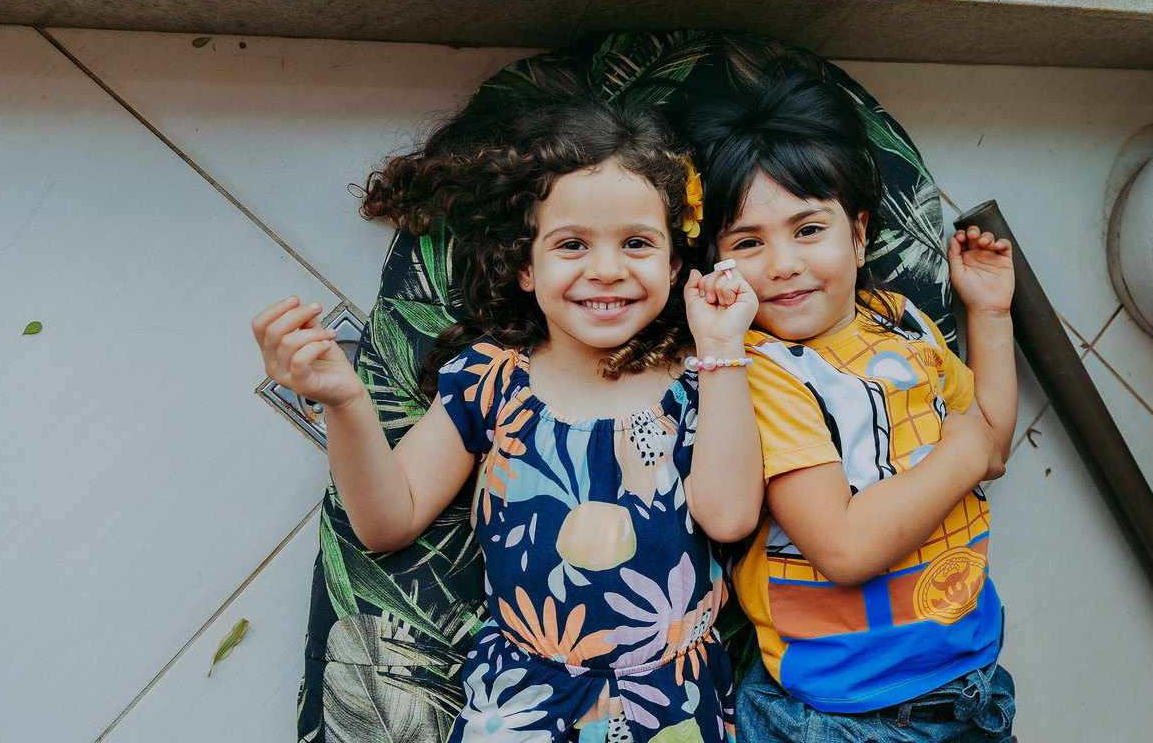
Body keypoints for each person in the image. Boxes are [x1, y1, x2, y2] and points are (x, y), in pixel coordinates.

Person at [253, 99, 764, 743]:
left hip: (672, 703)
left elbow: (730, 517)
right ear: (526, 266)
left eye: (637, 243)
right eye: (572, 244)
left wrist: (722, 351)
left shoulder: (703, 377)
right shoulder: (493, 380)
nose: (606, 269)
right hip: (521, 702)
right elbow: (387, 522)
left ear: (673, 264)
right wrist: (345, 402)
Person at [681, 68, 1019, 742]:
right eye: (748, 242)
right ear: (715, 262)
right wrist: (961, 450)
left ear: (859, 235)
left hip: (970, 682)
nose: (781, 263)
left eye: (808, 229)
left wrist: (989, 314)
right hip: (840, 713)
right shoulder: (764, 373)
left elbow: (995, 442)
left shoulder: (902, 322)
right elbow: (844, 546)